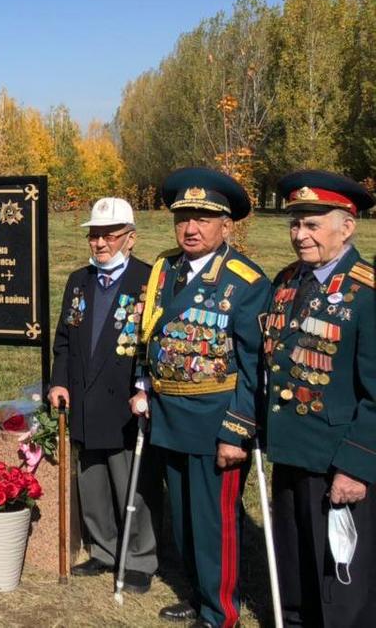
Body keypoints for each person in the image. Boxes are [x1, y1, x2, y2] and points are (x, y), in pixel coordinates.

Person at [129, 167, 270, 628]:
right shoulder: (164, 269)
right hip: (169, 414)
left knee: (214, 523)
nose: (190, 228)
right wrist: (142, 384)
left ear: (226, 226)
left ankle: (220, 611)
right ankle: (196, 592)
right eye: (183, 217)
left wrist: (238, 430)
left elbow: (254, 368)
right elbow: (148, 331)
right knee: (185, 518)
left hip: (215, 421)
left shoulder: (245, 281)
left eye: (203, 219)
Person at [262, 170, 376, 627]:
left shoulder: (366, 292)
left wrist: (356, 464)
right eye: (295, 224)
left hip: (337, 459)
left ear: (345, 227)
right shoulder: (288, 280)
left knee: (340, 575)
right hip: (290, 450)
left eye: (312, 225)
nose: (300, 235)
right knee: (294, 564)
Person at [49, 197, 160, 593]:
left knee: (131, 482)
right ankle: (104, 550)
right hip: (83, 395)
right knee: (92, 481)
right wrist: (58, 382)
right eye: (94, 235)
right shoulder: (78, 279)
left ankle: (140, 558)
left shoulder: (149, 281)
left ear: (130, 238)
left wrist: (144, 387)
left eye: (109, 235)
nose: (99, 244)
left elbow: (156, 343)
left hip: (126, 402)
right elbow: (63, 340)